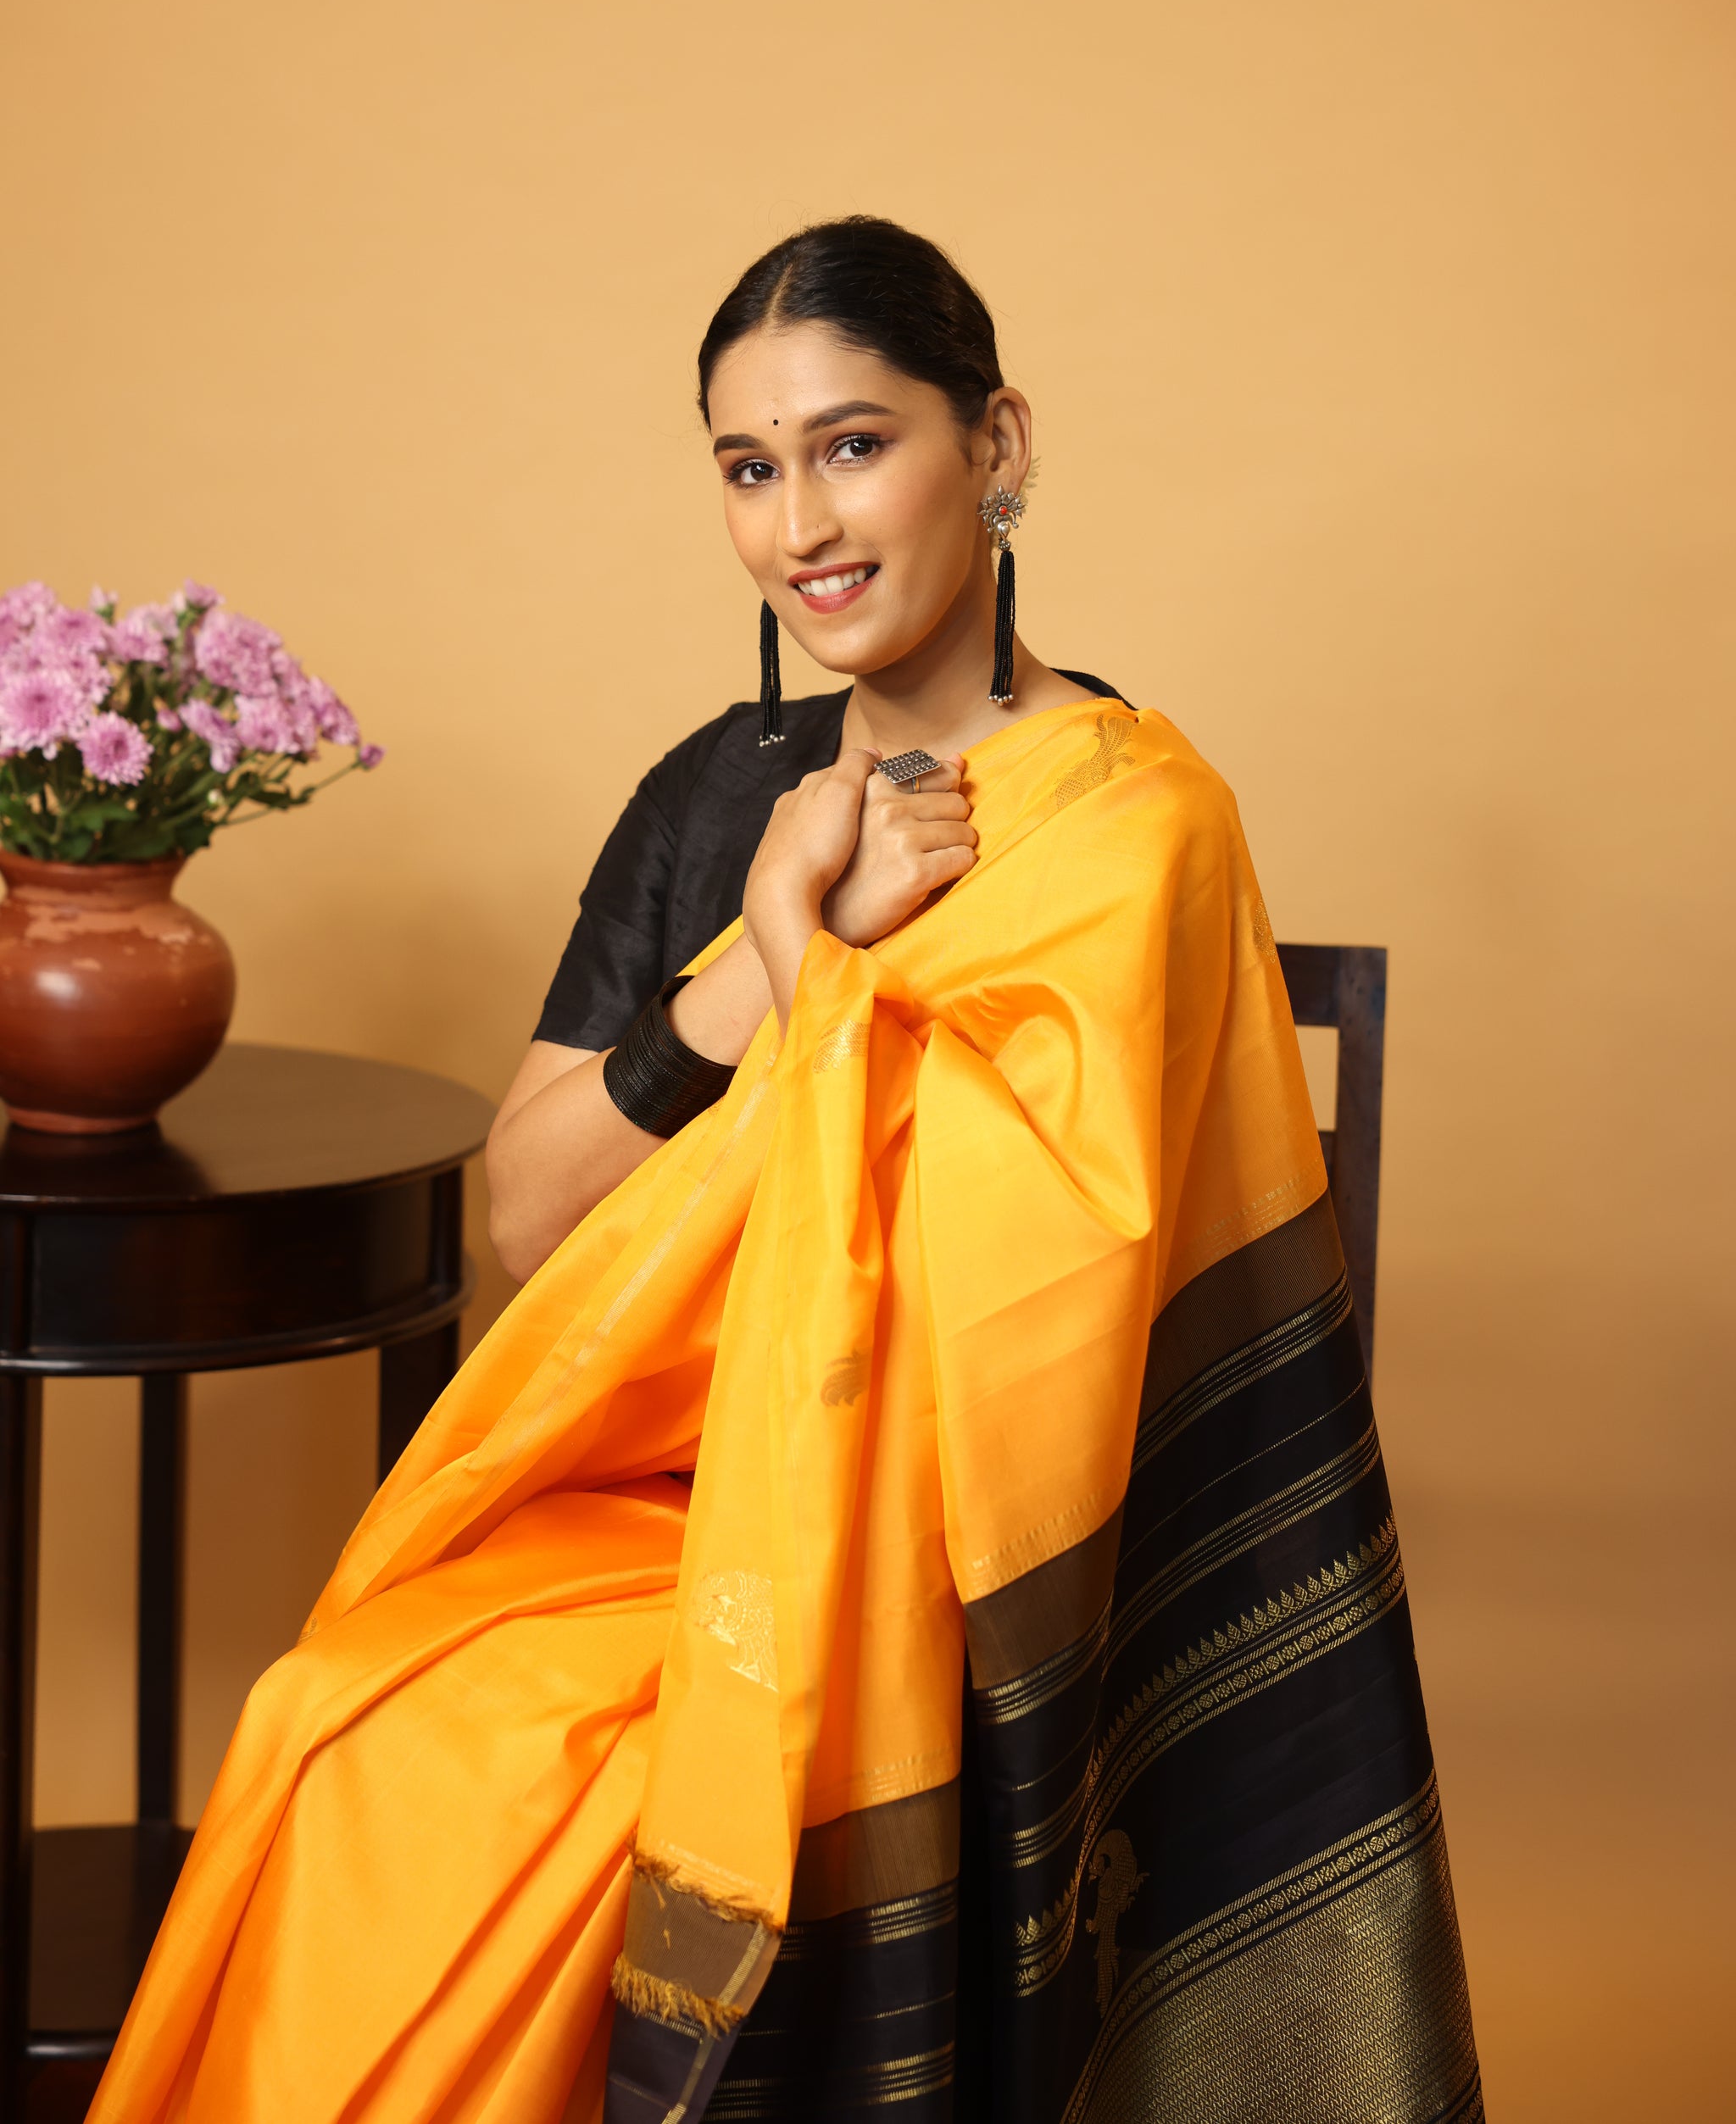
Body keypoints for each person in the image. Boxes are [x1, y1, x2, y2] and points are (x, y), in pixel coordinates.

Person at [90, 218, 1481, 2124]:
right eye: (748, 468)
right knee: (338, 1721)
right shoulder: (713, 789)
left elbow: (1041, 1301)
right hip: (669, 1496)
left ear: (995, 443)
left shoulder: (1134, 822)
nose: (800, 525)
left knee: (551, 1781)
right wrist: (770, 947)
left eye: (853, 445)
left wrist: (832, 984)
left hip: (953, 1545)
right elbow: (529, 1215)